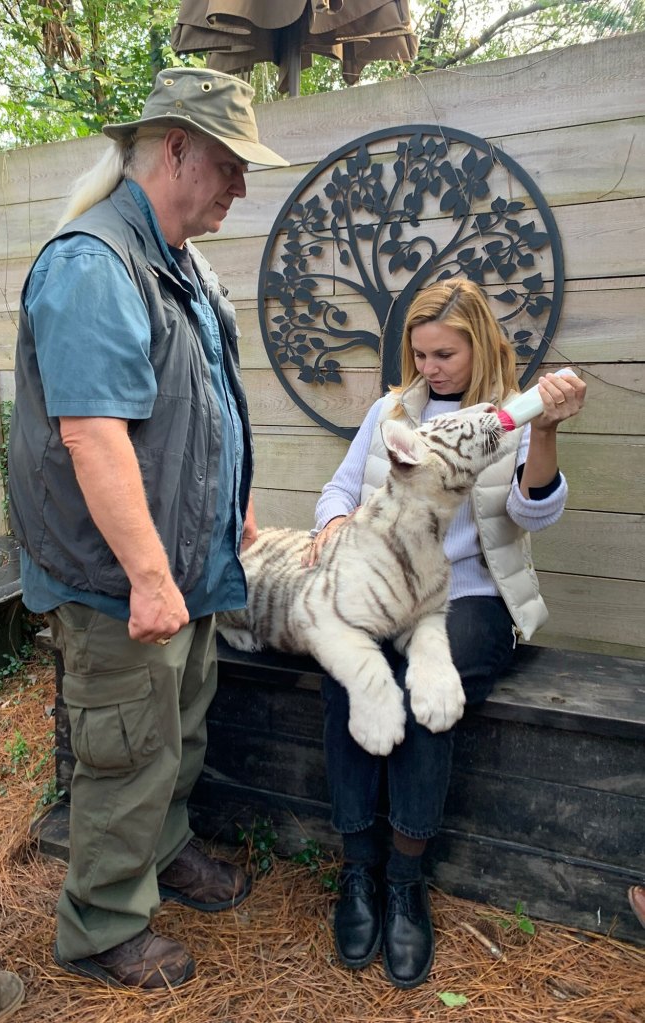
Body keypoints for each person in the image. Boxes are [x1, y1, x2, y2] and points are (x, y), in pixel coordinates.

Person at [8, 68, 288, 991]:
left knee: (178, 733)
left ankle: (162, 854)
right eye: (229, 163)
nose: (242, 185)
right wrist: (151, 576)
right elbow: (93, 435)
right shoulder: (93, 263)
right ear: (174, 150)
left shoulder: (185, 265)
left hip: (185, 562)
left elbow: (200, 405)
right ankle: (101, 926)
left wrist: (231, 501)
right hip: (123, 579)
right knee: (126, 750)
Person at [307, 277, 586, 989]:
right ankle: (358, 871)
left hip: (471, 598)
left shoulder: (513, 416)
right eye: (421, 353)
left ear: (481, 344)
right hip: (392, 592)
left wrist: (546, 430)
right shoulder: (390, 412)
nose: (430, 368)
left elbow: (534, 515)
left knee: (431, 683)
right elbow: (338, 490)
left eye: (445, 354)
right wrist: (336, 525)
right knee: (351, 674)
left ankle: (405, 876)